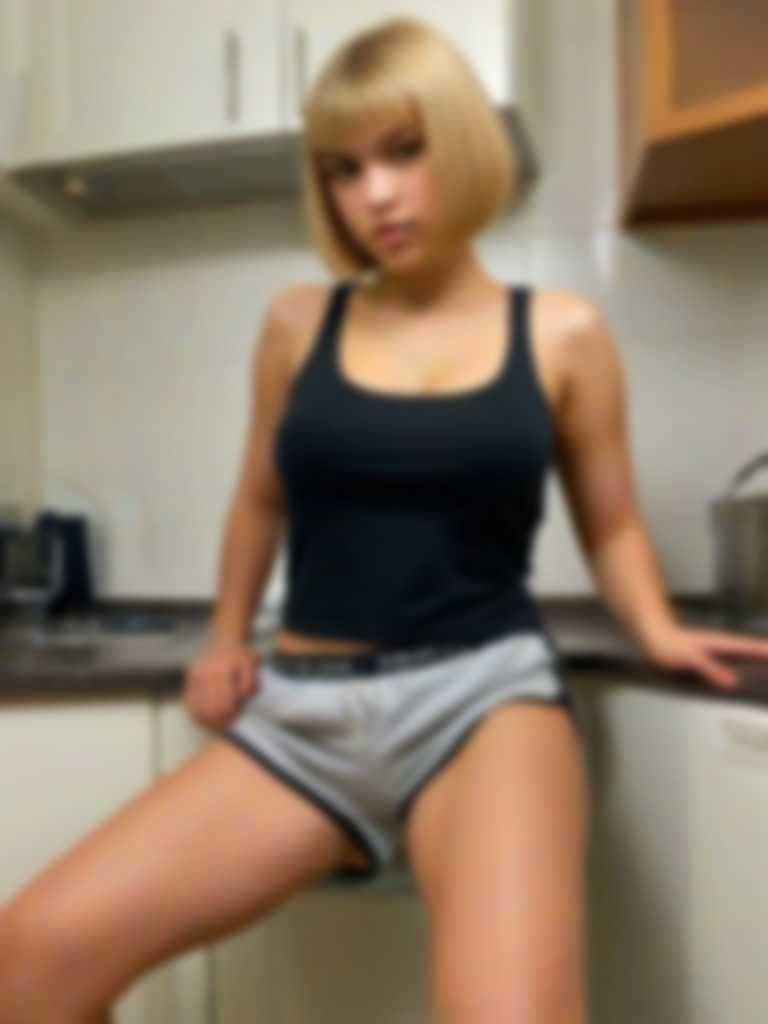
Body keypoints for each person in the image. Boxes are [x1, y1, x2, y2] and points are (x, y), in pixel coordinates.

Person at [3, 16, 768, 1024]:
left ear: (462, 140)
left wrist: (657, 626)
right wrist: (225, 636)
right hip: (305, 712)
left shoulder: (564, 334)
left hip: (485, 699)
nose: (375, 193)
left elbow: (613, 525)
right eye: (344, 169)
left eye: (404, 151)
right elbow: (259, 497)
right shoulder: (295, 324)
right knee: (29, 962)